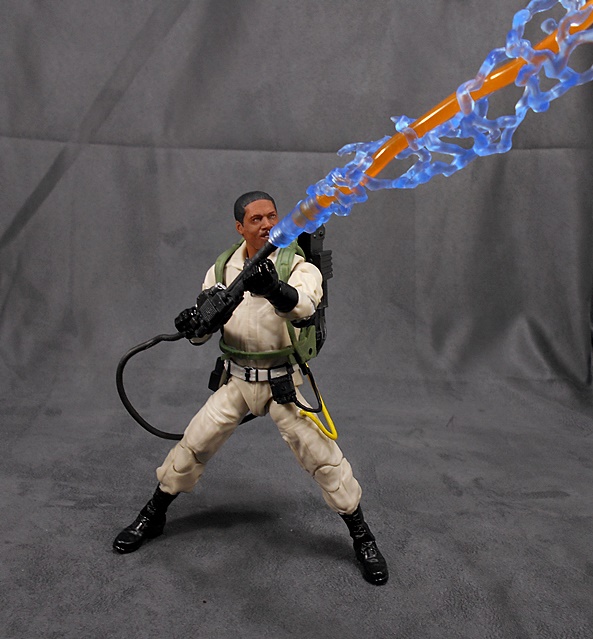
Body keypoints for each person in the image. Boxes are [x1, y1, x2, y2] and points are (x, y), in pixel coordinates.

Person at [112, 191, 389, 585]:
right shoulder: (222, 268)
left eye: (272, 216)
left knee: (324, 460)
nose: (266, 225)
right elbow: (204, 330)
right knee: (192, 447)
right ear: (240, 227)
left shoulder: (296, 264)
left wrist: (274, 288)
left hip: (281, 383)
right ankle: (153, 515)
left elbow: (305, 306)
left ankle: (362, 537)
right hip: (237, 381)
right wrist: (193, 324)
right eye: (256, 219)